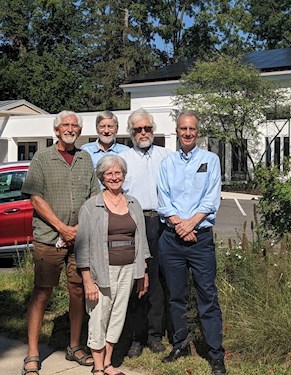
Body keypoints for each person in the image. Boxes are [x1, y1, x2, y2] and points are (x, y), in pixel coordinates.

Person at [20, 111, 100, 375]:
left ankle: (75, 346)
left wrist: (77, 229)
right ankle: (32, 353)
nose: (70, 128)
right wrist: (63, 228)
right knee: (42, 292)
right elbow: (35, 198)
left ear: (79, 130)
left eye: (74, 125)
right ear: (56, 130)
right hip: (48, 238)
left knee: (78, 291)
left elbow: (93, 196)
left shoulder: (85, 158)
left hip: (80, 240)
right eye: (65, 125)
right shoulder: (42, 158)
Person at [157, 110, 226, 375]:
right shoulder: (167, 163)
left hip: (200, 239)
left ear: (198, 132)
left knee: (207, 296)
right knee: (176, 296)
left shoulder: (211, 160)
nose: (187, 133)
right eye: (183, 129)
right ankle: (180, 344)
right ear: (177, 131)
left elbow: (211, 199)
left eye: (192, 129)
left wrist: (191, 224)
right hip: (172, 240)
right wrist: (180, 225)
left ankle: (215, 353)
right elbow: (163, 200)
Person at [75, 155, 150, 375]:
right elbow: (83, 247)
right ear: (102, 177)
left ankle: (108, 363)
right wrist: (87, 280)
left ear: (124, 176)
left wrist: (143, 272)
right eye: (109, 173)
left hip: (129, 269)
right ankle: (97, 367)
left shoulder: (134, 204)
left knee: (117, 316)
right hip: (101, 271)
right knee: (99, 316)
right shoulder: (91, 206)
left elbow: (141, 240)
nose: (114, 177)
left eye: (118, 173)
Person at [119, 108, 172, 357]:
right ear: (131, 133)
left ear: (153, 130)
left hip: (161, 223)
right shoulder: (124, 159)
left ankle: (154, 335)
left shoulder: (166, 156)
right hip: (135, 224)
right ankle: (136, 337)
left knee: (158, 282)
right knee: (136, 281)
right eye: (138, 129)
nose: (143, 133)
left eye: (147, 128)